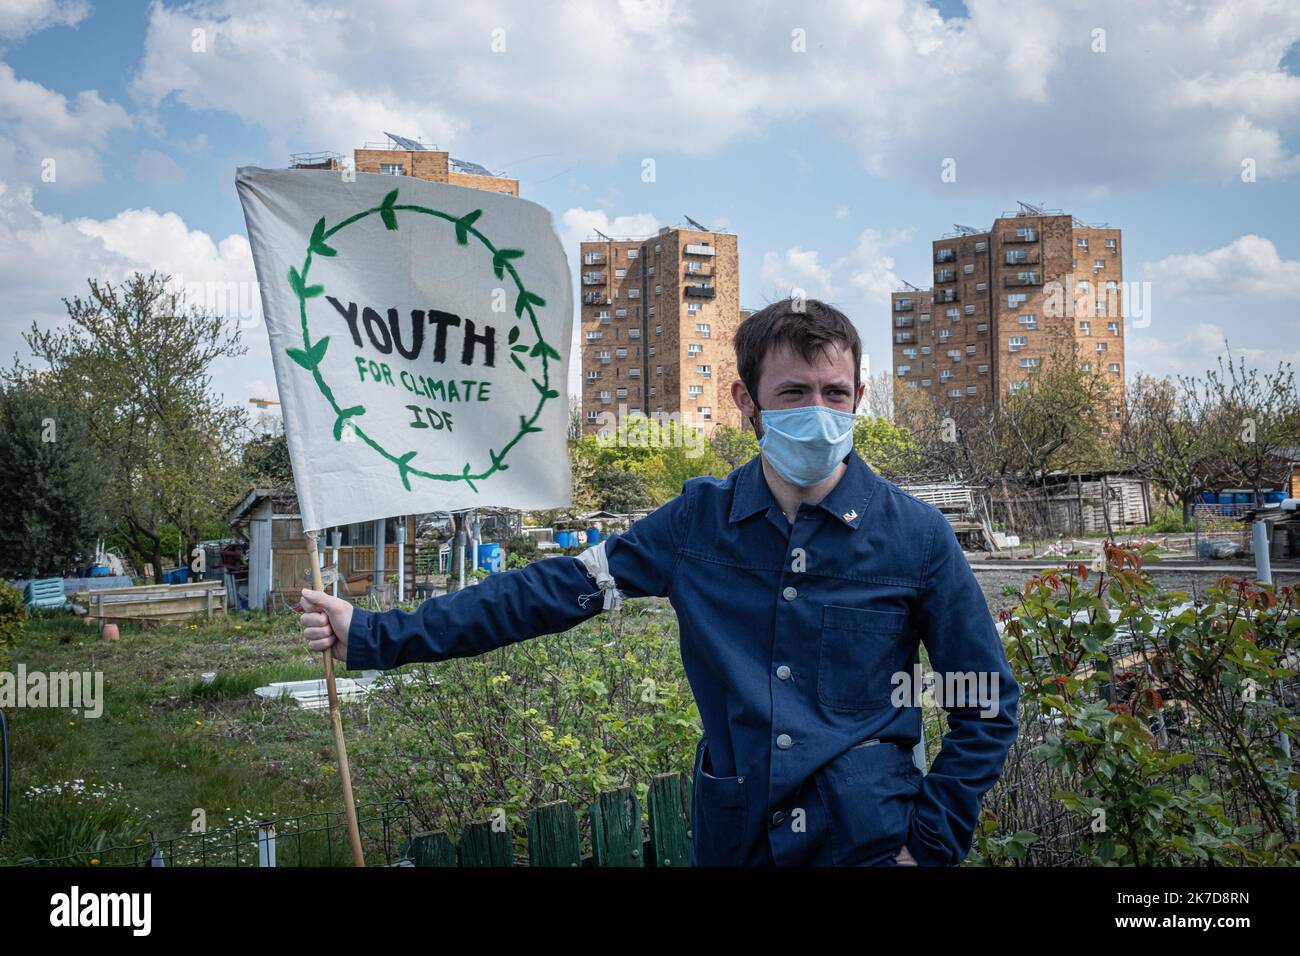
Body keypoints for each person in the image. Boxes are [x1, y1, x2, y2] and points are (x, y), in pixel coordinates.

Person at [299, 297, 1020, 867]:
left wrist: (925, 846)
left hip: (866, 842)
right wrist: (372, 634)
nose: (820, 413)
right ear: (746, 401)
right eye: (794, 392)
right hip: (739, 844)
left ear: (859, 395)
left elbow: (985, 703)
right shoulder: (695, 525)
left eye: (836, 393)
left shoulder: (918, 538)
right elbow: (545, 593)